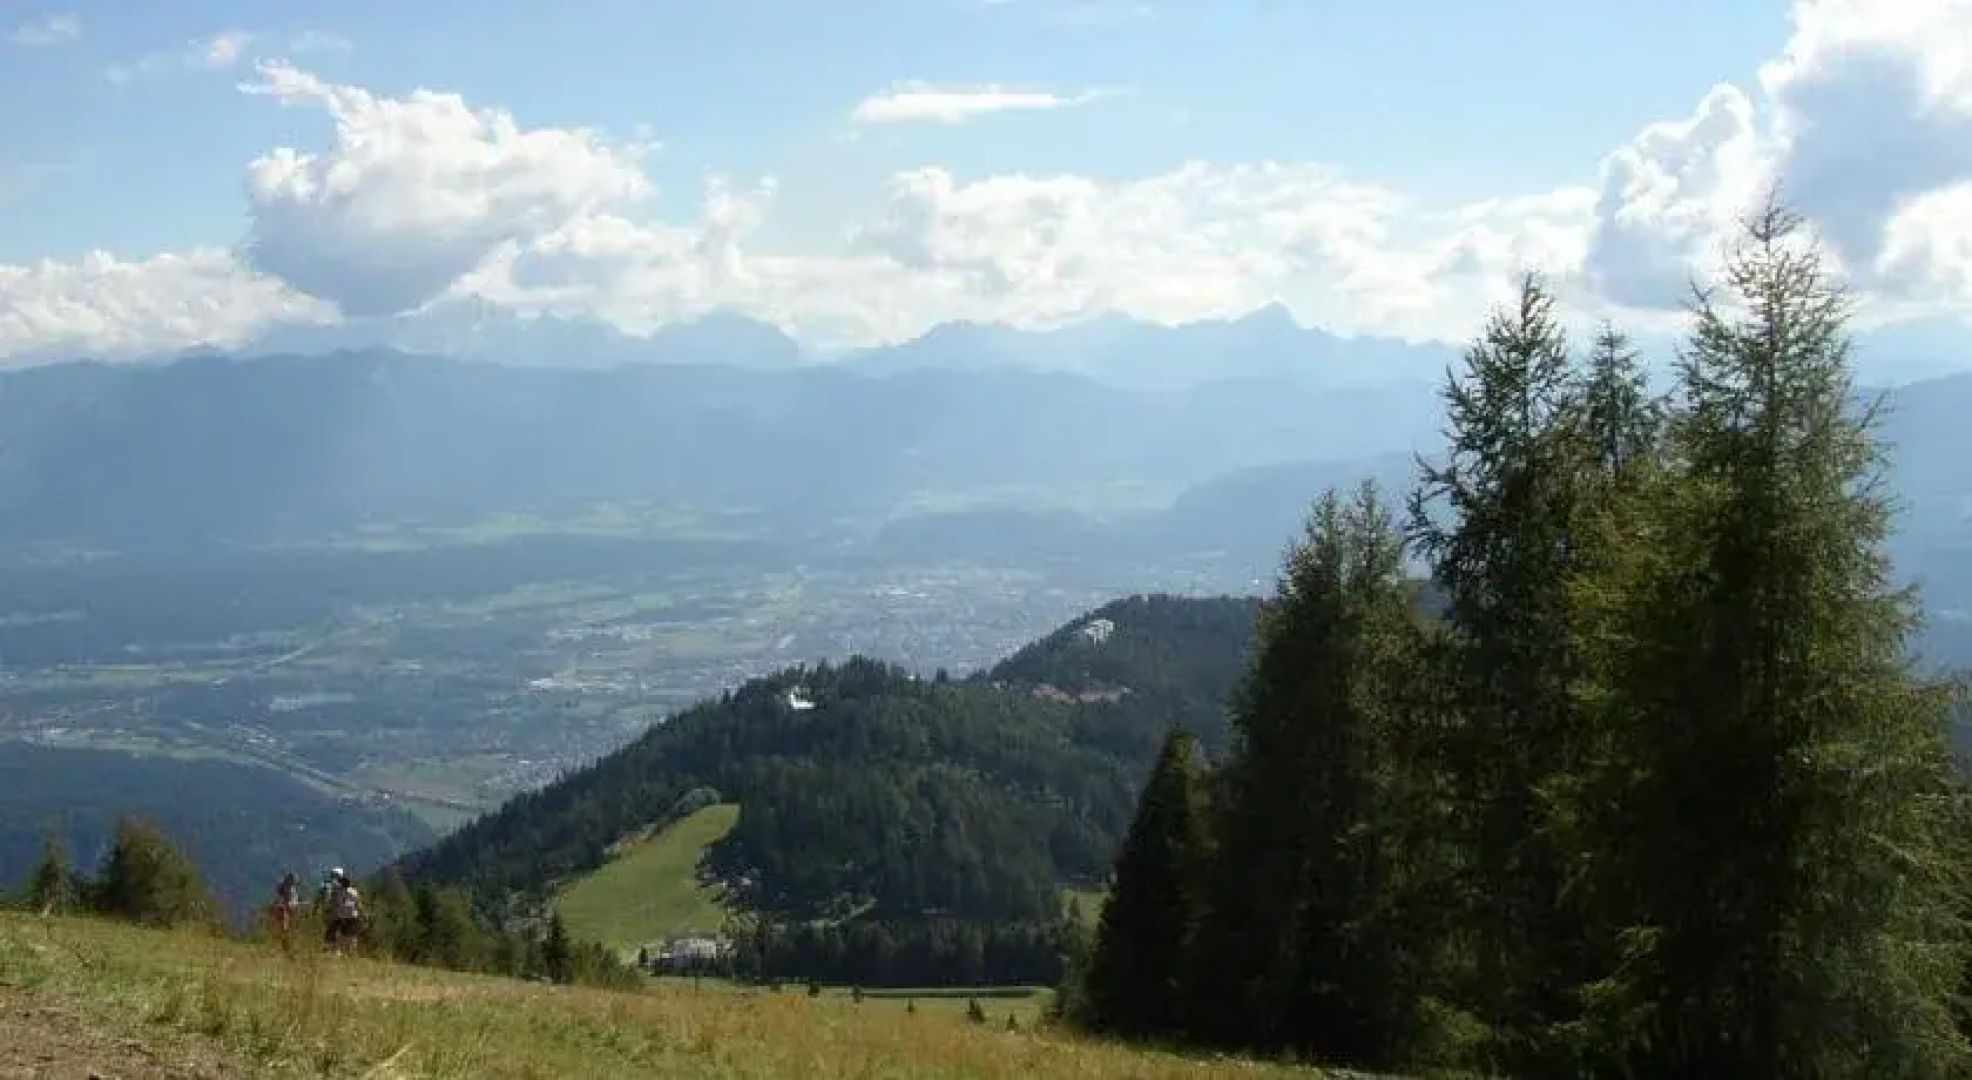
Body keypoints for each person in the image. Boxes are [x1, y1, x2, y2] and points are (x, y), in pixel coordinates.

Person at [324, 869, 363, 955]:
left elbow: (332, 903)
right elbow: (358, 905)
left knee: (339, 935)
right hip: (353, 916)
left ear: (341, 882)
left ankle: (337, 952)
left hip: (341, 916)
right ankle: (351, 953)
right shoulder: (353, 892)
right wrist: (362, 913)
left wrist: (329, 910)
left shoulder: (337, 891)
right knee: (352, 936)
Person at [270, 872, 300, 944]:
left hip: (288, 908)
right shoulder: (288, 888)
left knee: (286, 926)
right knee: (285, 926)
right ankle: (285, 941)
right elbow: (284, 899)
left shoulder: (291, 889)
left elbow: (292, 900)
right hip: (285, 908)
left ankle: (285, 940)